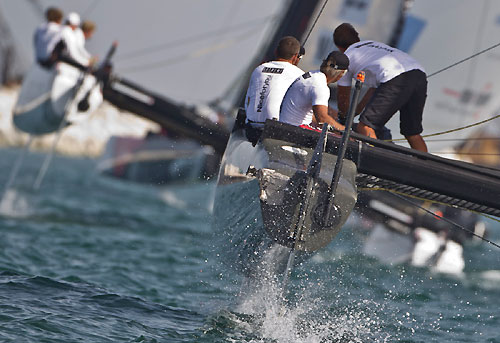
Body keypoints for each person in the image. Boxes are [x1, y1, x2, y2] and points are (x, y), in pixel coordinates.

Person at [334, 23, 428, 152]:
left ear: (339, 47)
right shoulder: (372, 46)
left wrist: (343, 119)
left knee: (365, 127)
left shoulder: (346, 58)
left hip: (396, 76)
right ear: (357, 38)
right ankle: (425, 167)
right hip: (419, 73)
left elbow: (343, 97)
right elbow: (374, 90)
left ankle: (377, 163)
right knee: (412, 133)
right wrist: (354, 113)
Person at [244, 36, 305, 142]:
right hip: (273, 132)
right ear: (295, 56)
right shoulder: (299, 75)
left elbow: (248, 101)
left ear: (276, 51)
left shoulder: (259, 69)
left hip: (250, 129)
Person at [279, 50, 349, 131]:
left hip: (284, 126)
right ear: (341, 74)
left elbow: (316, 112)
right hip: (292, 131)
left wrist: (337, 118)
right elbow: (322, 119)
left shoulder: (312, 75)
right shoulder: (320, 86)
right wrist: (345, 131)